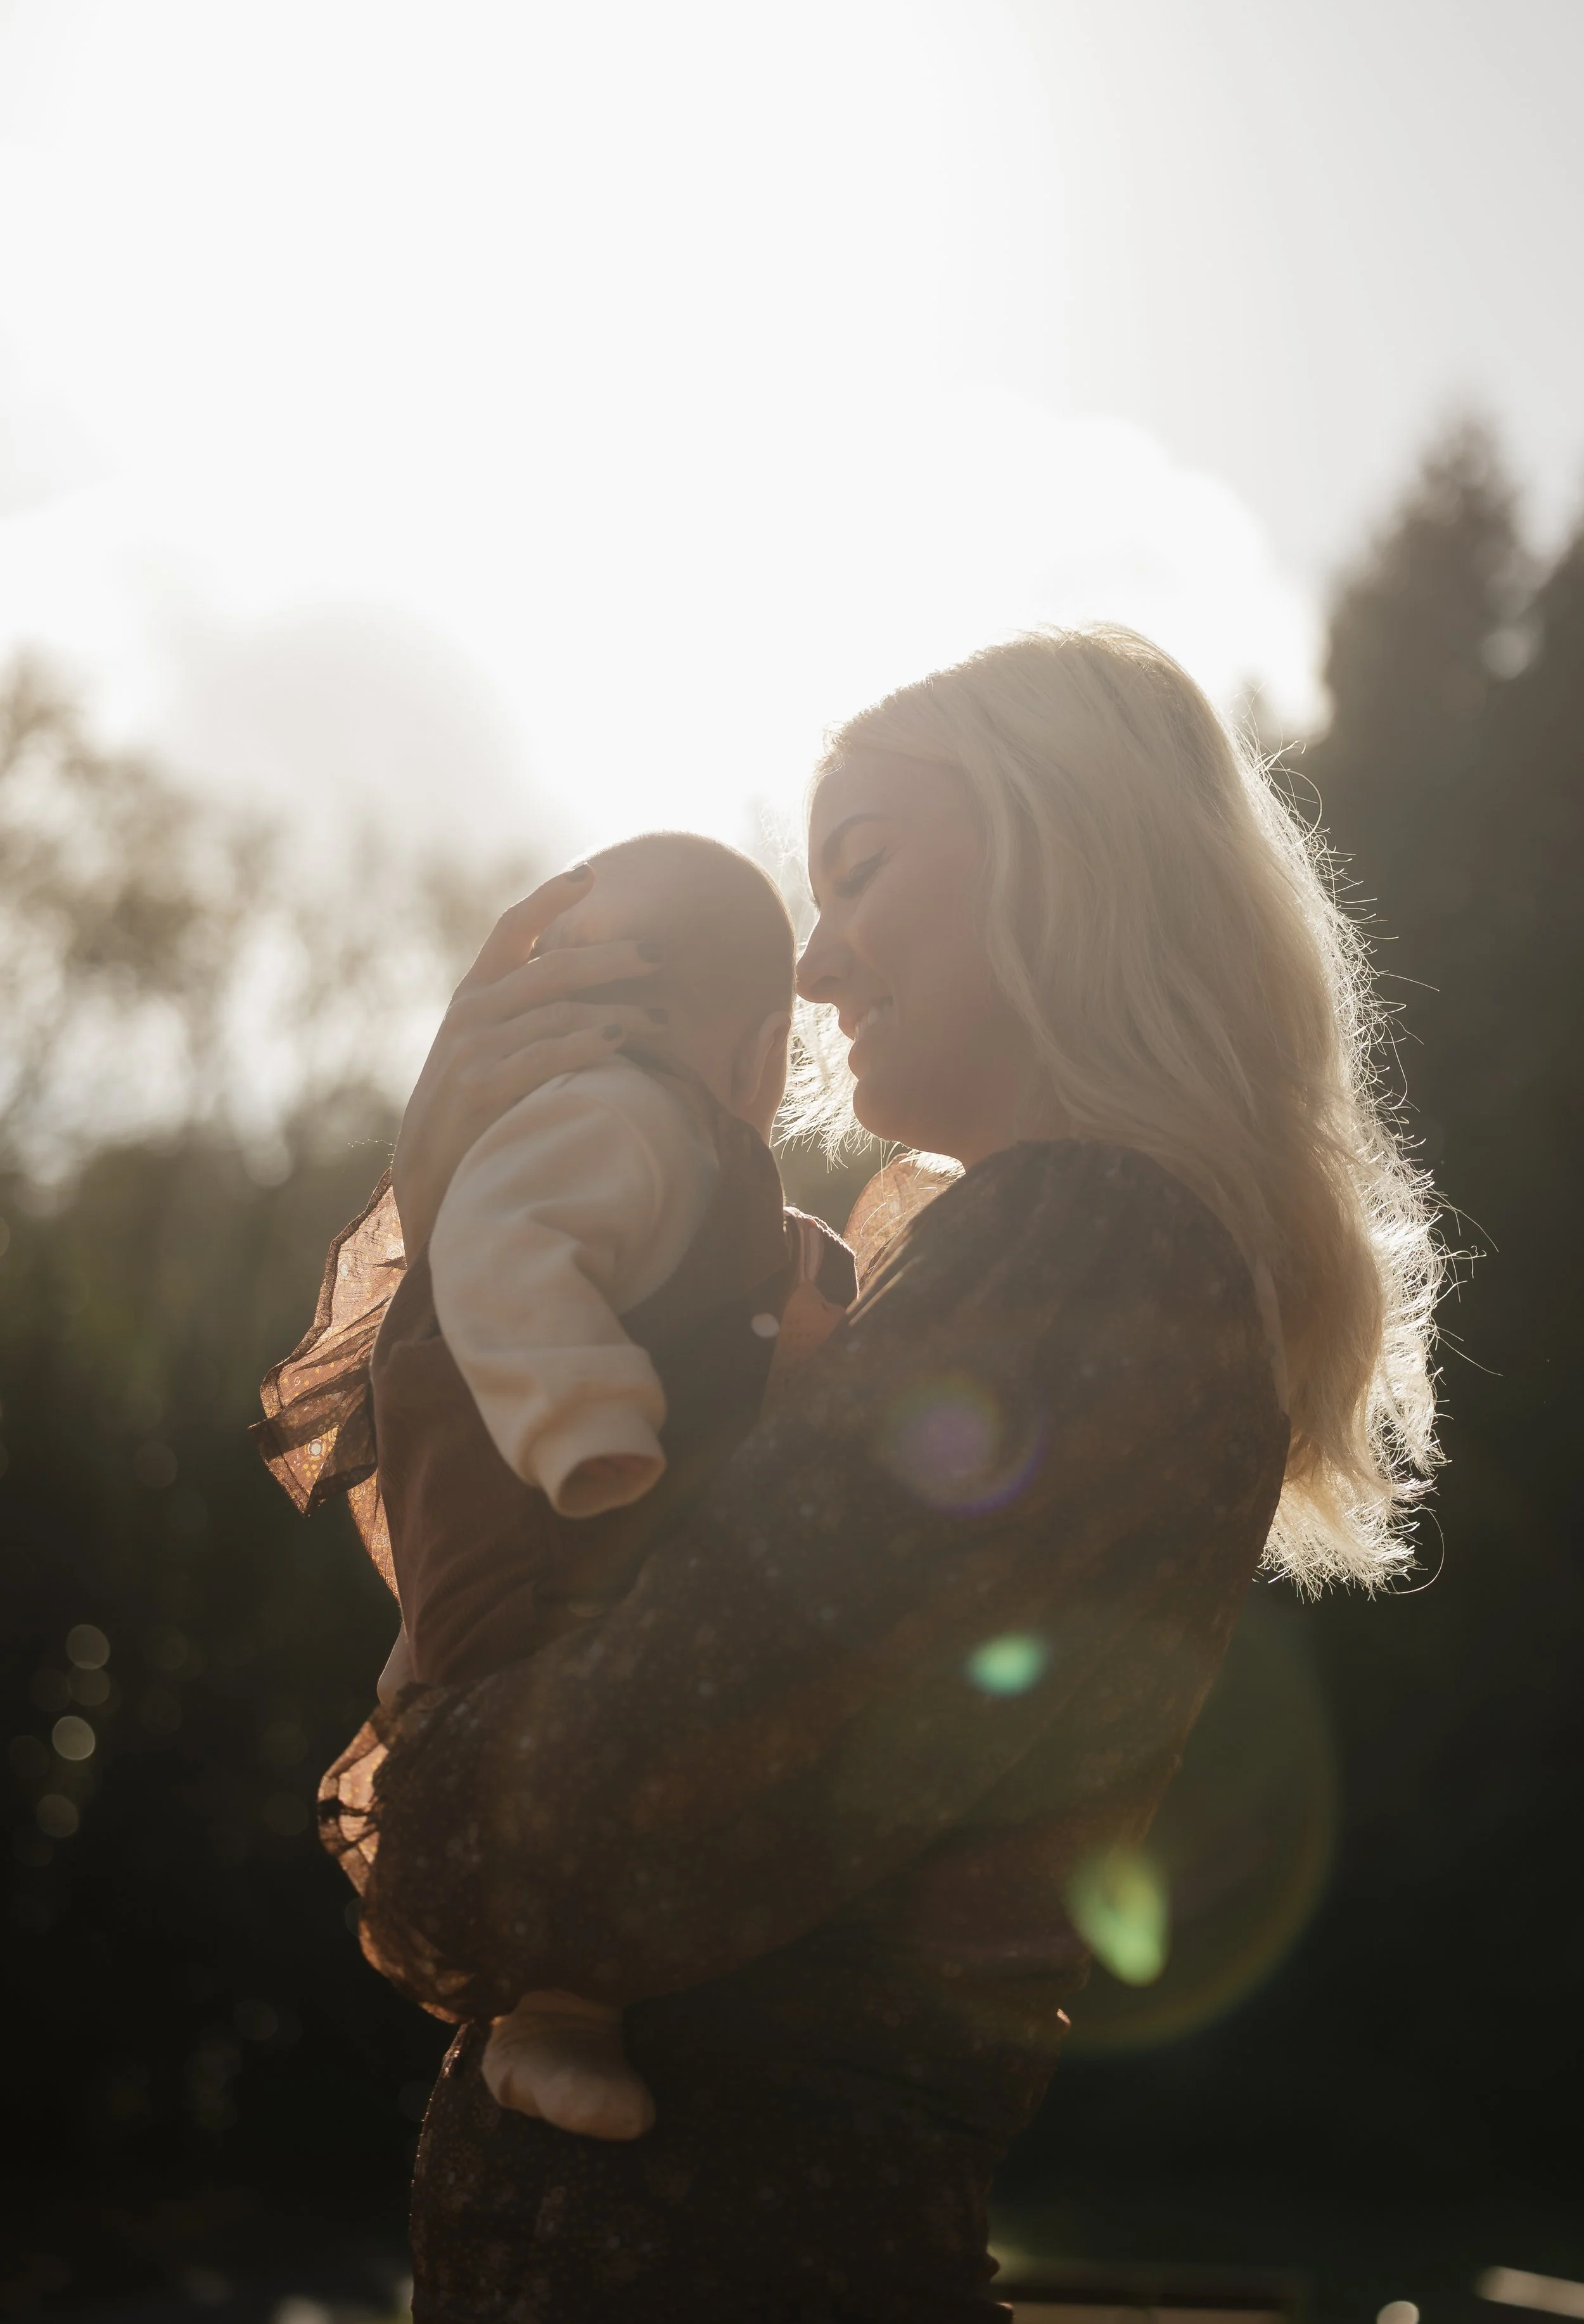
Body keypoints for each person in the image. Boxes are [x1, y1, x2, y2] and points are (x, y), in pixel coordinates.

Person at [314, 627, 1441, 2323]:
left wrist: (440, 1778)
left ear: (1063, 855)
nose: (819, 967)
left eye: (856, 873)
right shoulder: (1041, 1261)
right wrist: (455, 1209)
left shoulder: (1082, 1248)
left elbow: (566, 1840)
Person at [374, 831, 853, 2142]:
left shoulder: (674, 1153)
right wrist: (587, 1420)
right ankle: (554, 2015)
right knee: (579, 1759)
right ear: (764, 1055)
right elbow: (500, 1244)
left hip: (546, 1554)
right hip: (546, 1538)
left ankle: (558, 2016)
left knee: (594, 1769)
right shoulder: (626, 1114)